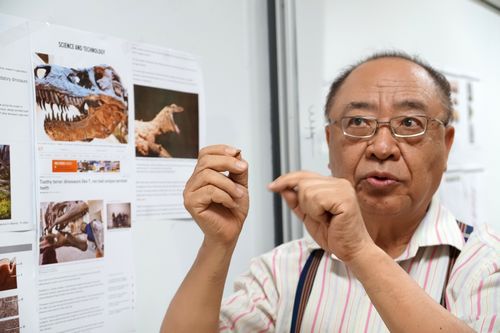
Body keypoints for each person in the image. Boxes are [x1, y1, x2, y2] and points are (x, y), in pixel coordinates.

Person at [161, 51, 499, 332]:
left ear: (446, 145)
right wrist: (217, 244)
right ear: (329, 142)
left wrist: (360, 252)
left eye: (410, 123)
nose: (381, 147)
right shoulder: (283, 270)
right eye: (358, 123)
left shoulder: (483, 263)